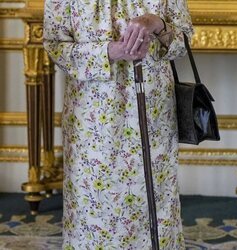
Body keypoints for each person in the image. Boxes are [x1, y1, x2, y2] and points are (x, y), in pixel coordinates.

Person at [43, 0, 193, 249]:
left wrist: (157, 23)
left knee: (155, 205)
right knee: (94, 208)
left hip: (154, 117)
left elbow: (184, 42)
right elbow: (55, 47)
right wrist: (110, 52)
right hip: (92, 123)